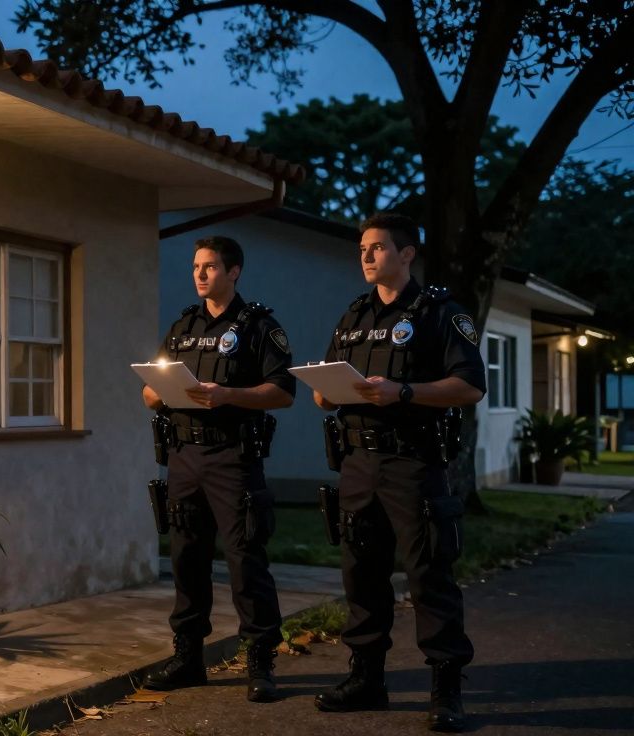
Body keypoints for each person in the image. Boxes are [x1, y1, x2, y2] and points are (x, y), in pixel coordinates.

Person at [312, 212, 485, 732]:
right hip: (358, 463)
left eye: (377, 248)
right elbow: (323, 389)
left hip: (413, 464)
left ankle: (446, 687)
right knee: (361, 575)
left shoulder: (438, 312)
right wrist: (326, 388)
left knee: (429, 574)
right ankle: (367, 679)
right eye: (362, 248)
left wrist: (404, 391)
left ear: (407, 254)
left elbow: (470, 386)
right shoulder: (354, 315)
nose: (365, 256)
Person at [141, 235, 295, 702]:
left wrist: (229, 395)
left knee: (246, 560)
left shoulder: (258, 326)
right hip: (184, 458)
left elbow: (282, 392)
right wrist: (156, 390)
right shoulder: (183, 327)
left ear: (234, 272)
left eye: (209, 266)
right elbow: (151, 390)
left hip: (232, 458)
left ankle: (260, 661)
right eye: (195, 267)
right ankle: (188, 659)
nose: (200, 274)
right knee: (187, 559)